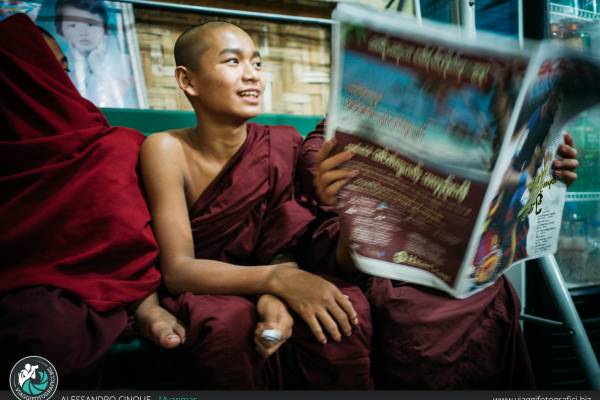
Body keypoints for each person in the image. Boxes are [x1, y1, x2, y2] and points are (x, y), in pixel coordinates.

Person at [139, 21, 373, 389]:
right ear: (188, 81)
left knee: (345, 308)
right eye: (232, 62)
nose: (253, 76)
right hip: (210, 284)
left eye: (258, 63)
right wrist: (276, 281)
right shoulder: (166, 149)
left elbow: (287, 241)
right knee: (225, 325)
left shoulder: (283, 143)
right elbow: (178, 270)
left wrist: (348, 213)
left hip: (273, 274)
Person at [298, 116, 578, 389]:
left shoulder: (466, 130)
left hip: (483, 295)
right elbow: (336, 258)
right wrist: (351, 207)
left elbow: (509, 206)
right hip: (402, 301)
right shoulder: (327, 148)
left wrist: (547, 174)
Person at [0, 14, 185, 389]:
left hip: (118, 281)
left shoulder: (106, 143)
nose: (59, 82)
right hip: (22, 284)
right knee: (42, 334)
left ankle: (143, 305)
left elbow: (129, 237)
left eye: (63, 69)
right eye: (45, 69)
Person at [54, 0, 136, 107]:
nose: (83, 32)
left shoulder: (130, 63)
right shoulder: (59, 68)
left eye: (91, 24)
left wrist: (96, 66)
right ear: (61, 31)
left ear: (104, 27)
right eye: (73, 25)